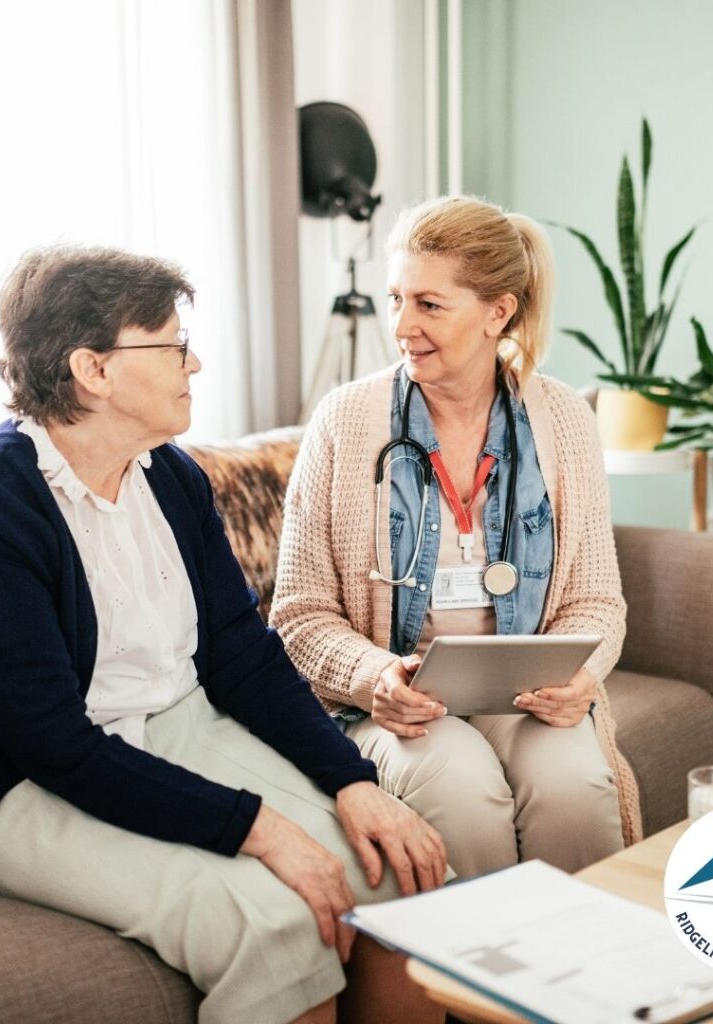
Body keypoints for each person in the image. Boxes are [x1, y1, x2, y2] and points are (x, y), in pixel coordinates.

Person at [0, 246, 447, 1024]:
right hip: (11, 782)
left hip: (176, 724)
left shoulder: (170, 476)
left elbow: (242, 656)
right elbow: (54, 745)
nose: (195, 361)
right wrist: (259, 829)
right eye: (172, 344)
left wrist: (352, 782)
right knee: (278, 928)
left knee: (400, 875)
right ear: (93, 370)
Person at [271, 196, 642, 880]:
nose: (402, 326)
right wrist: (374, 675)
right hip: (396, 706)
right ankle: (470, 980)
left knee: (573, 782)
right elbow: (298, 614)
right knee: (459, 785)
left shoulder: (562, 420)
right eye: (395, 300)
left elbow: (596, 601)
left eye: (429, 305)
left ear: (497, 312)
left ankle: (586, 970)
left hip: (522, 694)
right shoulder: (345, 422)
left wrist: (581, 677)